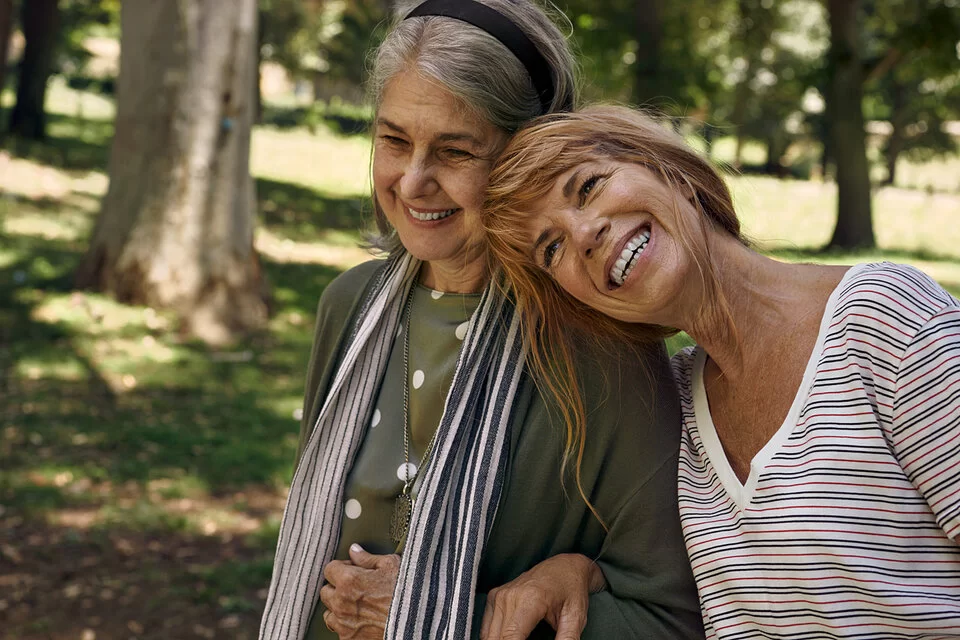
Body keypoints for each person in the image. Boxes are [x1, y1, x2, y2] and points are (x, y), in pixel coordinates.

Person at [259, 4, 705, 639]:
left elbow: (666, 620)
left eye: (455, 150)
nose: (414, 182)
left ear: (524, 159)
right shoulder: (349, 307)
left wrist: (443, 618)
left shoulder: (602, 348)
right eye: (393, 140)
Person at [482, 104, 960, 637]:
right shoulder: (674, 408)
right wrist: (577, 572)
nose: (585, 233)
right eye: (552, 248)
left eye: (588, 187)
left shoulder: (886, 318)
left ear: (672, 173)